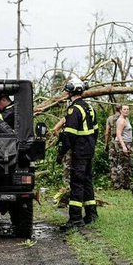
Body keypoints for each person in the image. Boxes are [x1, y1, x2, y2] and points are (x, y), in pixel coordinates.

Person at [57, 77, 98, 229]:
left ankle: (75, 219)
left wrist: (61, 153)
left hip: (79, 152)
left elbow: (69, 135)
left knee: (77, 183)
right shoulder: (90, 108)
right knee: (87, 182)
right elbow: (96, 131)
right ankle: (91, 215)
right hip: (89, 151)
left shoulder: (73, 110)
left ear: (70, 92)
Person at [114, 105, 133, 190]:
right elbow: (118, 134)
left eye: (127, 109)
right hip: (122, 143)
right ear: (121, 111)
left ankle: (126, 185)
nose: (126, 111)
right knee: (121, 164)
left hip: (128, 143)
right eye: (124, 109)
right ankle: (119, 185)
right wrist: (123, 146)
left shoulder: (127, 119)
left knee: (127, 164)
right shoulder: (121, 121)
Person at [104, 105, 121, 187]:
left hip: (113, 141)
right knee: (121, 161)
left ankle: (115, 182)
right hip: (122, 141)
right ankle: (122, 182)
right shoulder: (124, 119)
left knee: (113, 161)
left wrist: (106, 144)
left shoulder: (110, 118)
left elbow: (107, 132)